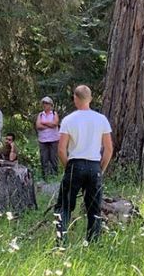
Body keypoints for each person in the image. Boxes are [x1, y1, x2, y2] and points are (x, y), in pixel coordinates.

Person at [56, 85, 112, 244]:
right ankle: (93, 242)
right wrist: (101, 169)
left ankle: (61, 242)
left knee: (64, 205)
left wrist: (68, 166)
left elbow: (61, 149)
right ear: (90, 99)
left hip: (75, 164)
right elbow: (108, 149)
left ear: (75, 98)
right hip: (94, 165)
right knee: (94, 208)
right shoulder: (101, 119)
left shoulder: (69, 119)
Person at [36, 96, 60, 178]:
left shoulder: (54, 113)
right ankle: (45, 176)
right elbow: (38, 126)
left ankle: (55, 175)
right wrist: (49, 124)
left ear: (50, 105)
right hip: (43, 140)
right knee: (44, 158)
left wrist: (44, 123)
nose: (45, 105)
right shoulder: (40, 114)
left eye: (46, 103)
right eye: (43, 103)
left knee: (54, 158)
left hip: (54, 139)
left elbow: (55, 123)